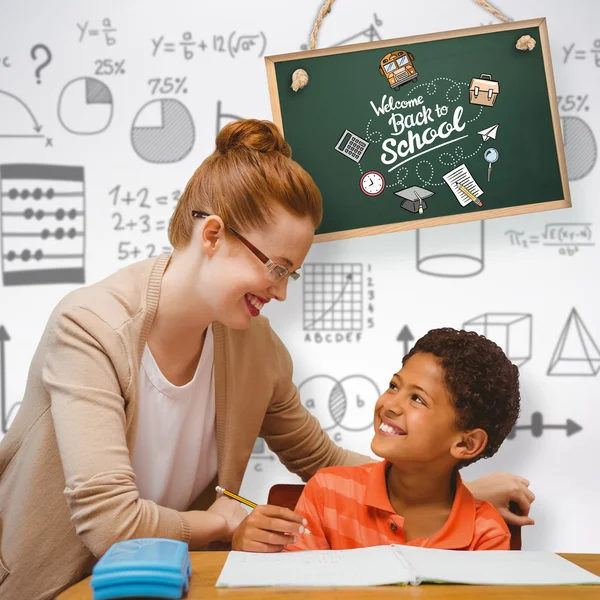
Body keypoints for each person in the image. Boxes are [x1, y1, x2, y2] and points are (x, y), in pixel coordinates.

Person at [0, 120, 533, 599]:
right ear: (212, 235)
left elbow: (321, 461)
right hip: (47, 583)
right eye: (276, 267)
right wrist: (219, 524)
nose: (280, 292)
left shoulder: (255, 346)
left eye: (291, 273)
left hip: (166, 581)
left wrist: (451, 490)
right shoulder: (91, 327)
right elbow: (109, 522)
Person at [281, 328, 524, 552]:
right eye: (394, 386)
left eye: (417, 399)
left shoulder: (485, 535)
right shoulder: (327, 492)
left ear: (465, 444)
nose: (391, 405)